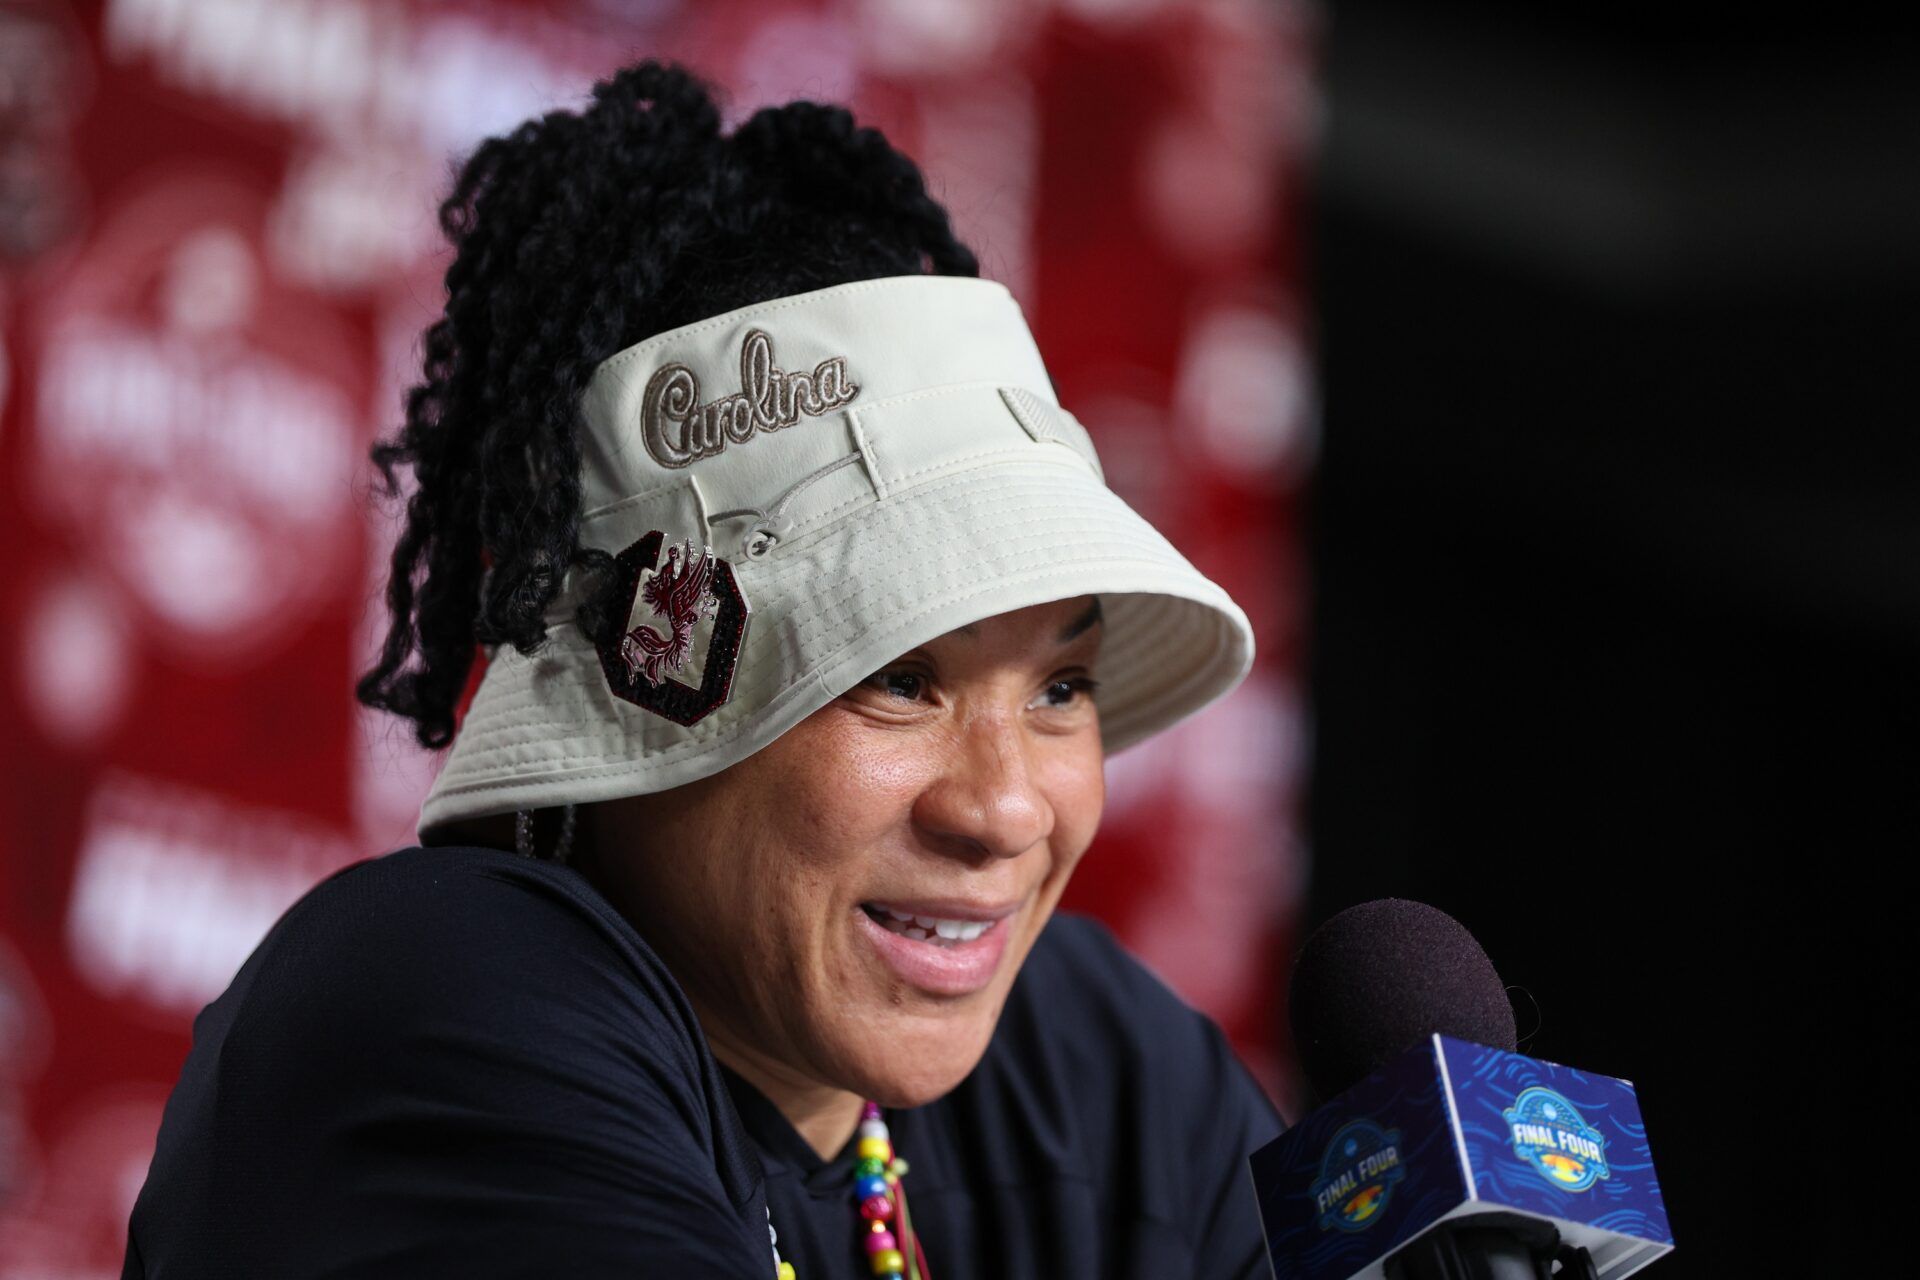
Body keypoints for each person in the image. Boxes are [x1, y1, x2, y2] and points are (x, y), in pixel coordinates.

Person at [121, 60, 1280, 1279]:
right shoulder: (443, 990)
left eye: (1061, 686)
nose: (1001, 809)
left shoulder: (1100, 1064)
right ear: (649, 682)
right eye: (896, 676)